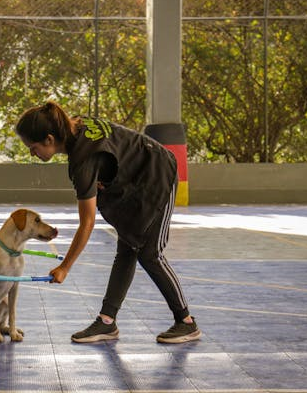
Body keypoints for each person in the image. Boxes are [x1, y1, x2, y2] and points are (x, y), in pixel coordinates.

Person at [14, 101, 201, 344]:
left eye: (33, 147)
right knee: (127, 247)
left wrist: (65, 267)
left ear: (50, 139)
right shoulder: (76, 129)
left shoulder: (83, 162)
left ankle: (186, 322)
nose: (32, 153)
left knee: (148, 253)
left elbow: (87, 223)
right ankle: (107, 322)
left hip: (158, 174)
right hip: (137, 178)